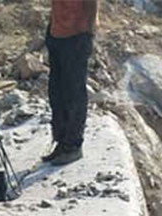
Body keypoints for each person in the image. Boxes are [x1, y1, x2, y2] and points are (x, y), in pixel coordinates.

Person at [43, 0, 99, 166]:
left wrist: (88, 33)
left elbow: (92, 4)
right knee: (57, 92)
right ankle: (61, 141)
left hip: (76, 36)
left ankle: (73, 146)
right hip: (56, 34)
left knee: (74, 93)